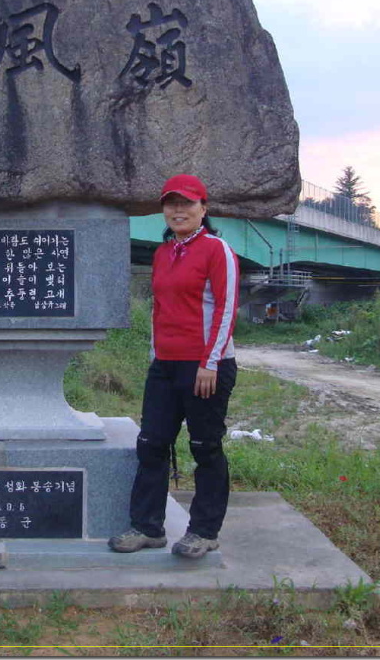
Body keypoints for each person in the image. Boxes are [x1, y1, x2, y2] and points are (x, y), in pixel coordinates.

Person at [109, 174, 239, 559]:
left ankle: (204, 531)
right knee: (151, 444)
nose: (178, 210)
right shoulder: (164, 253)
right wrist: (155, 358)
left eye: (187, 203)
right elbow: (160, 310)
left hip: (205, 367)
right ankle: (148, 527)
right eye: (171, 203)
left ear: (203, 208)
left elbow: (227, 309)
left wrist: (209, 363)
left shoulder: (218, 250)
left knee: (205, 447)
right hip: (165, 367)